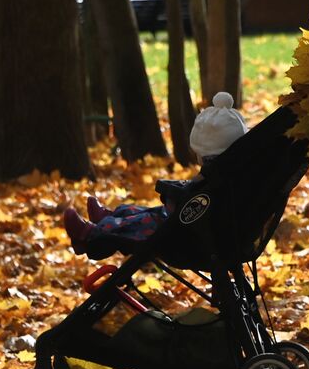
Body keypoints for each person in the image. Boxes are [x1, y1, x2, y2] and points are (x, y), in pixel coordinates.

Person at [62, 93, 247, 257]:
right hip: (204, 224)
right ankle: (112, 216)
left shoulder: (216, 175)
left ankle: (93, 234)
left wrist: (174, 195)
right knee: (142, 212)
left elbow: (196, 197)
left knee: (146, 221)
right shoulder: (232, 172)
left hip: (193, 232)